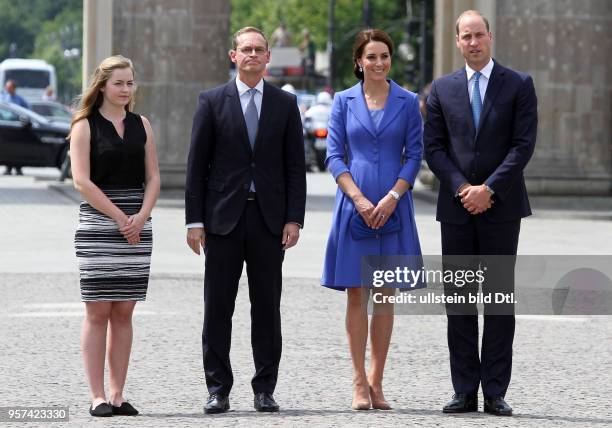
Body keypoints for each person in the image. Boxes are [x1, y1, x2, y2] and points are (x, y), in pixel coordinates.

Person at [185, 26, 306, 414]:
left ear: (268, 57)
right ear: (233, 56)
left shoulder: (285, 105)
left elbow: (294, 168)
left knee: (266, 308)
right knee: (218, 308)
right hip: (222, 221)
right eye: (245, 50)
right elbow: (196, 167)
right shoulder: (211, 101)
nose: (252, 55)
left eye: (259, 49)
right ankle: (218, 388)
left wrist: (294, 219)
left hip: (270, 220)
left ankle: (264, 388)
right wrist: (194, 221)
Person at [424, 10, 537, 416]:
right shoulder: (442, 88)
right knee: (459, 302)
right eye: (466, 37)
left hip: (501, 208)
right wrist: (462, 188)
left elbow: (523, 145)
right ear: (457, 42)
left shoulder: (519, 85)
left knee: (498, 301)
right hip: (455, 210)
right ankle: (463, 390)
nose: (473, 42)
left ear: (490, 36)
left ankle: (495, 392)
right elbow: (433, 148)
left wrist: (488, 189)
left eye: (479, 35)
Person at [321, 29, 423, 410]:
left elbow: (414, 155)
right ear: (359, 61)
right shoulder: (343, 102)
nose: (379, 63)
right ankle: (358, 381)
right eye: (371, 57)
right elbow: (334, 156)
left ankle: (378, 383)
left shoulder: (408, 101)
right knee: (356, 293)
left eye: (384, 56)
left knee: (385, 295)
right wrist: (360, 199)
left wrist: (394, 196)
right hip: (354, 205)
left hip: (395, 206)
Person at [70, 55, 160, 417]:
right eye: (119, 83)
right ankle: (97, 396)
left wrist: (141, 217)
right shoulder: (84, 126)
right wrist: (122, 217)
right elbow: (82, 182)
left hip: (137, 224)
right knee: (97, 312)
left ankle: (118, 394)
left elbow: (153, 177)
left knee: (124, 312)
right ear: (102, 85)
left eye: (130, 82)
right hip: (99, 224)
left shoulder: (143, 124)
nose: (125, 89)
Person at [1, 80, 29, 175]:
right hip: (6, 127)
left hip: (17, 127)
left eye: (9, 87)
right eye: (6, 87)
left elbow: (27, 109)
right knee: (8, 148)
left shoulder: (19, 99)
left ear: (14, 88)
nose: (7, 89)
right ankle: (8, 168)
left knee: (18, 148)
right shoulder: (3, 97)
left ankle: (18, 168)